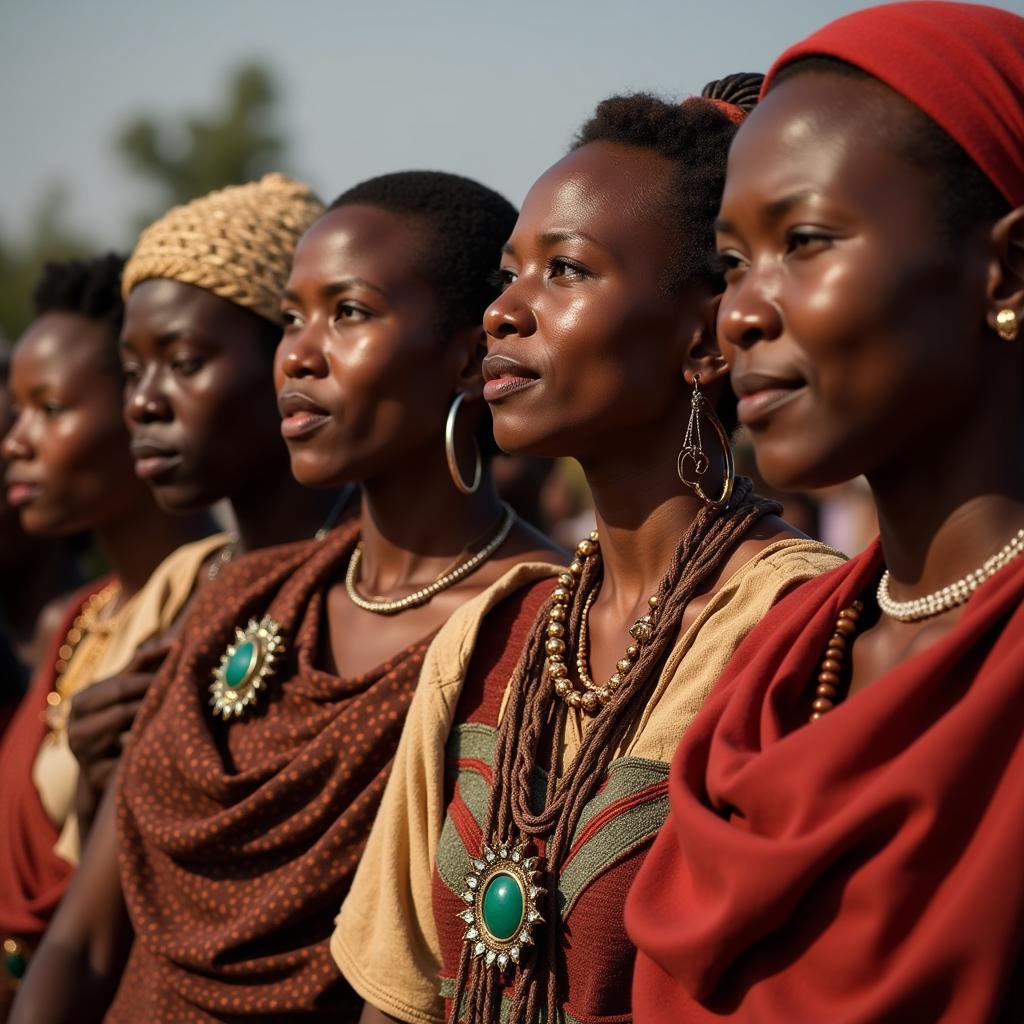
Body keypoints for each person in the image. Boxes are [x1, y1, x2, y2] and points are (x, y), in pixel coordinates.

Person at [334, 79, 844, 1024]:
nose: (505, 311)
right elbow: (397, 998)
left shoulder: (798, 632)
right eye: (509, 274)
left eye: (564, 271)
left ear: (704, 334)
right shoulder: (489, 641)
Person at [12, 170, 562, 1024]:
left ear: (464, 354)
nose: (299, 353)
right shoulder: (243, 594)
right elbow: (85, 939)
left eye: (348, 312)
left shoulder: (533, 627)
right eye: (293, 315)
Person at [625, 5, 1024, 1022]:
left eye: (802, 241)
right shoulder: (783, 659)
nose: (741, 312)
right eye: (729, 265)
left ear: (1006, 273)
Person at [65, 173, 336, 840]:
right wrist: (93, 782)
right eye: (132, 373)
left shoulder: (366, 590)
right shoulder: (184, 587)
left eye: (183, 362)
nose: (141, 403)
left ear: (291, 356)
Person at [0, 255, 219, 1013]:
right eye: (18, 411)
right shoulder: (75, 618)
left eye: (50, 408)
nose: (16, 442)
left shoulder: (215, 596)